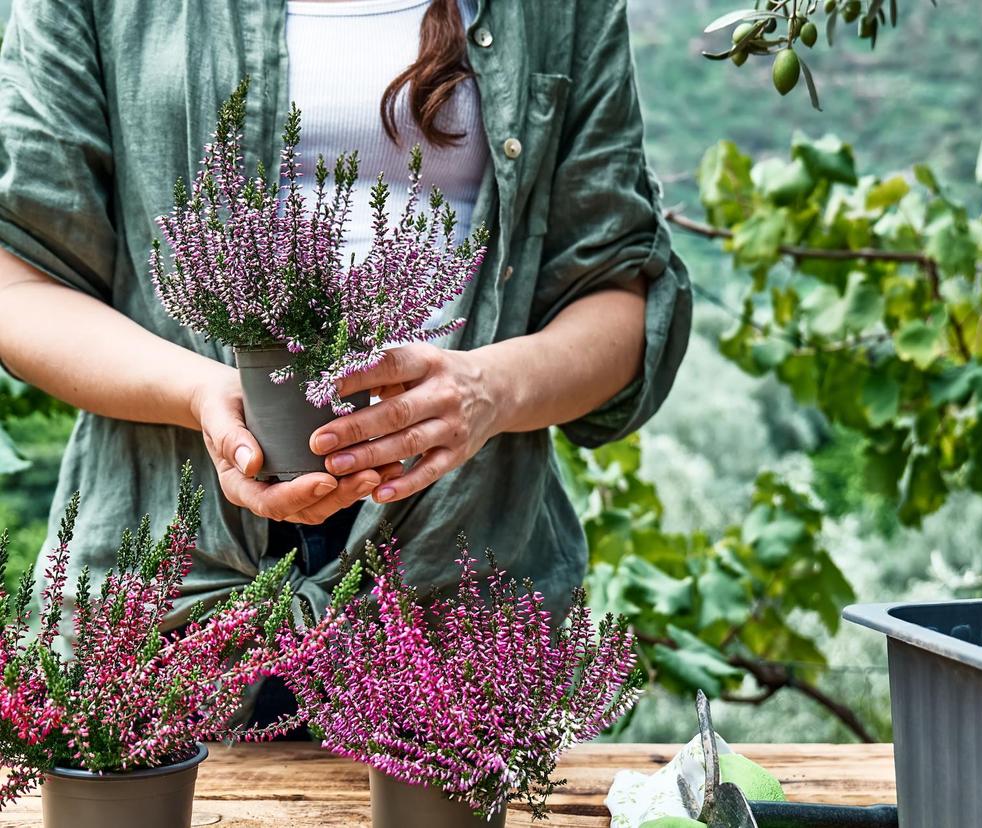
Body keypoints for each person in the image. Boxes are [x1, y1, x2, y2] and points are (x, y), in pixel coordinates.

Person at [0, 0, 690, 647]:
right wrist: (201, 395)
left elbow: (619, 296)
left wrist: (488, 390)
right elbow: (20, 281)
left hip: (458, 583)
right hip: (167, 583)